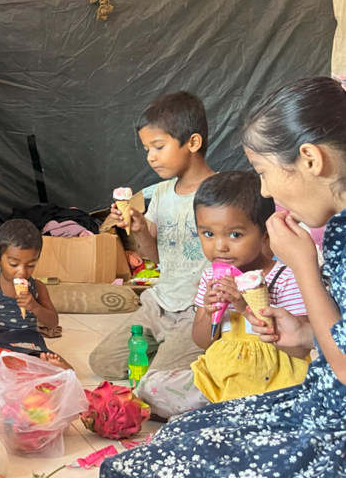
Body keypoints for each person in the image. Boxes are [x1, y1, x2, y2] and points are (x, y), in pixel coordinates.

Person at [102, 76, 346, 477]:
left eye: (263, 172)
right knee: (173, 433)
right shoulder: (338, 231)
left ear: (310, 159)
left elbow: (341, 365)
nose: (265, 192)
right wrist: (304, 335)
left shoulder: (298, 260)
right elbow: (333, 339)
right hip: (316, 399)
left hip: (328, 419)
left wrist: (302, 265)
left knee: (134, 468)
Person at [135, 171, 310, 418]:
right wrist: (209, 313)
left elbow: (299, 349)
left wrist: (244, 306)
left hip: (274, 380)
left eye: (235, 234)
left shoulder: (286, 278)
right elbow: (203, 341)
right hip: (218, 376)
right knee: (148, 389)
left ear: (265, 234)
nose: (219, 246)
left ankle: (220, 417)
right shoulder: (211, 278)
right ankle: (214, 414)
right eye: (208, 234)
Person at [89, 92, 215, 379]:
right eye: (147, 149)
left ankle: (188, 352)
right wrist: (141, 229)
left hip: (196, 310)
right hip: (160, 303)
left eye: (158, 146)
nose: (150, 157)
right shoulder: (160, 192)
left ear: (193, 142)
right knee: (103, 362)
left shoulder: (220, 195)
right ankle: (168, 350)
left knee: (159, 384)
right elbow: (154, 257)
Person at [0, 219, 70, 370]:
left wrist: (34, 307)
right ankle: (16, 361)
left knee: (36, 351)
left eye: (30, 265)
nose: (22, 271)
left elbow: (53, 323)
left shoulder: (38, 288)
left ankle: (44, 362)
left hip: (26, 340)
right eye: (14, 264)